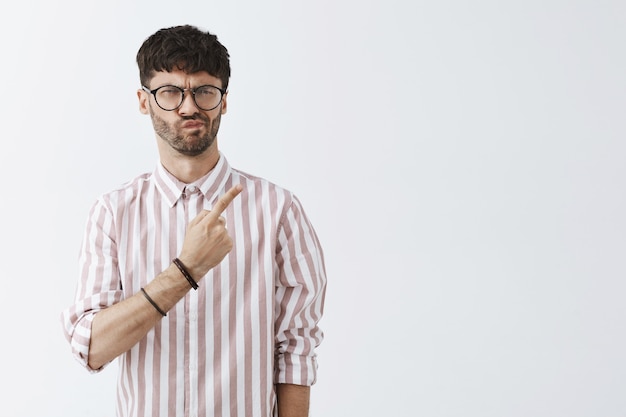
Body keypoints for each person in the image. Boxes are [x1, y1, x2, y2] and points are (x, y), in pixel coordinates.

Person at [61, 24, 327, 417]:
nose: (189, 107)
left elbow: (296, 350)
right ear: (143, 100)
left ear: (224, 101)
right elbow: (91, 347)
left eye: (204, 91)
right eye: (170, 92)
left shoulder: (279, 210)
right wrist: (186, 270)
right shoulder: (113, 213)